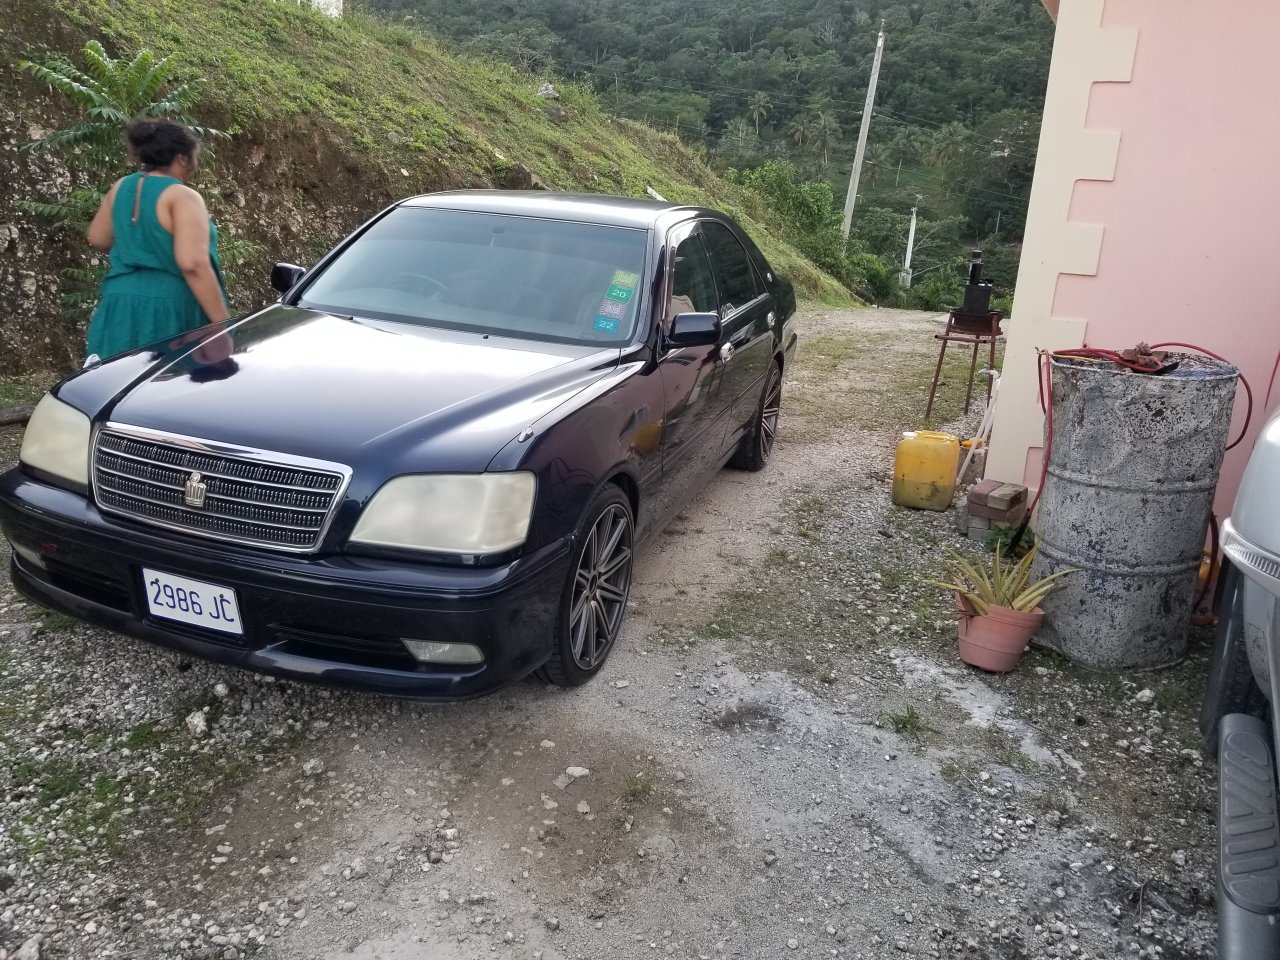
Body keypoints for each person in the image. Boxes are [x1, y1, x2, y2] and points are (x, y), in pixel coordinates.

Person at [84, 118, 231, 361]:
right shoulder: (182, 196)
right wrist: (223, 323)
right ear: (182, 158)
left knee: (114, 385)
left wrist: (139, 246)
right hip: (168, 307)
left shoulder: (122, 186)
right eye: (195, 156)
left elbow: (98, 237)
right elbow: (193, 264)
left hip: (119, 303)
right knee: (165, 387)